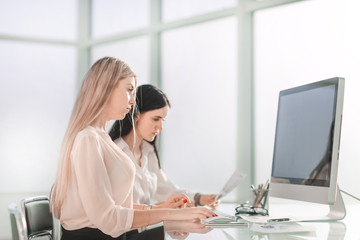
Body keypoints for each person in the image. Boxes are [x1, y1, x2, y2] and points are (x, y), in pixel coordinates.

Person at [49, 57, 216, 240]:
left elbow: (115, 207)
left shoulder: (100, 138)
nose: (133, 101)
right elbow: (108, 219)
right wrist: (174, 216)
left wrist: (163, 209)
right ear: (106, 88)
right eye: (129, 90)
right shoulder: (88, 139)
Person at [108, 84, 219, 209]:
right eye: (156, 119)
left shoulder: (147, 152)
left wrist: (200, 199)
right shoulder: (114, 152)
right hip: (127, 227)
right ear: (136, 115)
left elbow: (169, 192)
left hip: (145, 226)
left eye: (162, 120)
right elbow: (115, 210)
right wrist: (160, 209)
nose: (160, 127)